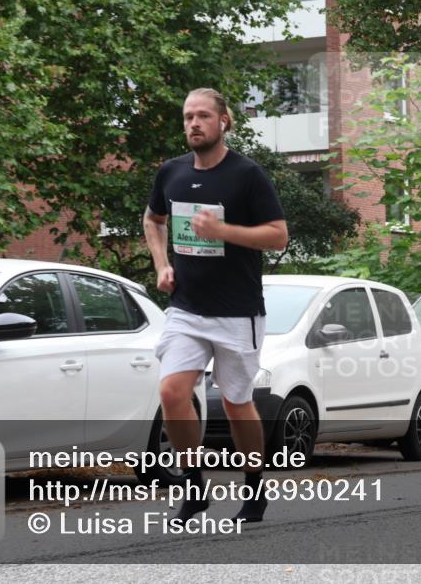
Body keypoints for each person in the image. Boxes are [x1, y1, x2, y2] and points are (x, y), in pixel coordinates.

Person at [143, 88, 288, 523]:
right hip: (187, 308)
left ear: (224, 121)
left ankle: (255, 486)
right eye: (188, 116)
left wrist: (224, 232)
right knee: (171, 391)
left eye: (203, 116)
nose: (193, 124)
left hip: (237, 310)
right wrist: (162, 264)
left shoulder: (247, 174)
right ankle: (193, 486)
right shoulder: (171, 172)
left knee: (235, 401)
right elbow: (153, 219)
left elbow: (278, 235)